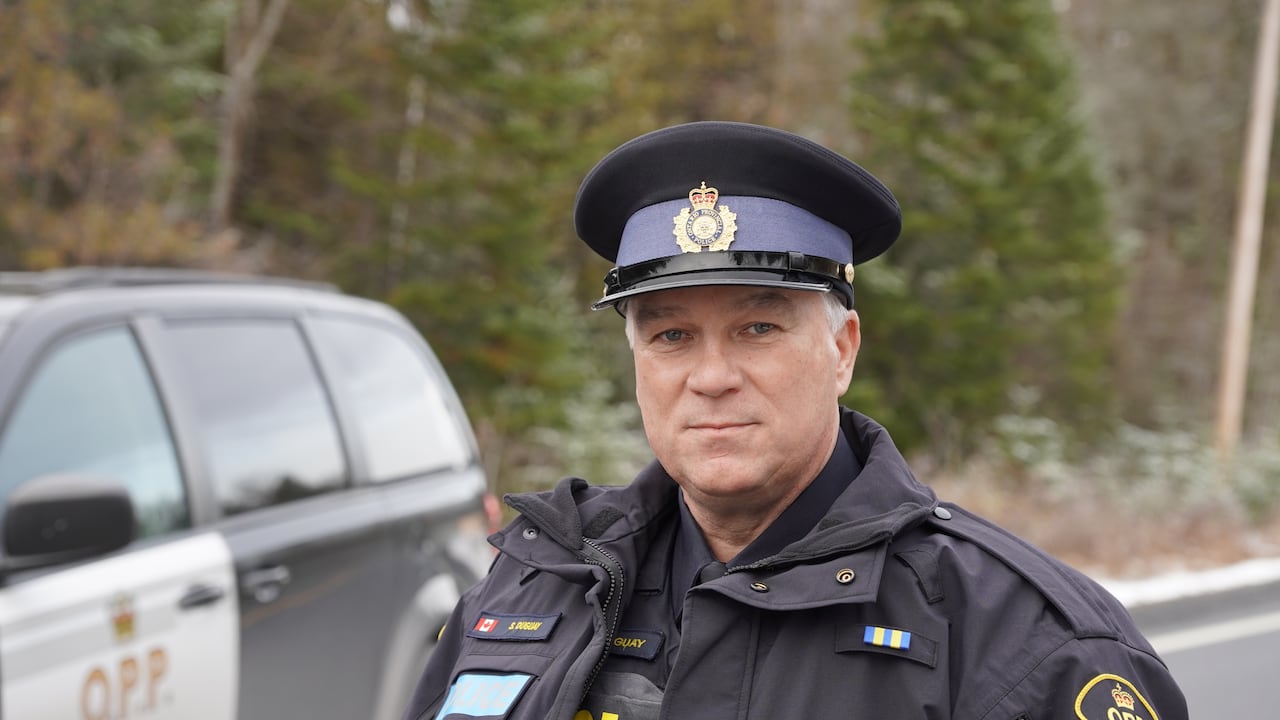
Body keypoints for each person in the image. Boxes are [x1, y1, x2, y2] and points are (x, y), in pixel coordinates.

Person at [403, 121, 1187, 720]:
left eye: (758, 329)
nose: (711, 378)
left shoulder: (1022, 640)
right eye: (671, 335)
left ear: (842, 349)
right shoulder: (535, 587)